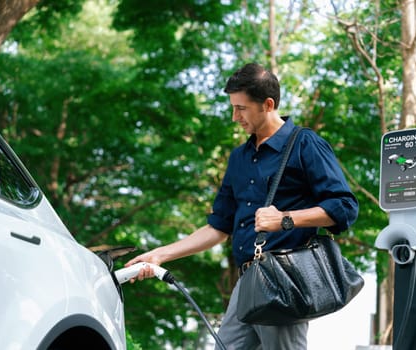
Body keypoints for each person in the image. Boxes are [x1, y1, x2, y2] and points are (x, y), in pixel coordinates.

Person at [125, 62, 359, 349]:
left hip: (284, 279)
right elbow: (218, 227)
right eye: (233, 107)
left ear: (268, 104)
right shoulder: (239, 158)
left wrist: (285, 219)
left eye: (241, 108)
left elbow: (345, 207)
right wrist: (160, 255)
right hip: (248, 281)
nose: (235, 116)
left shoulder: (305, 144)